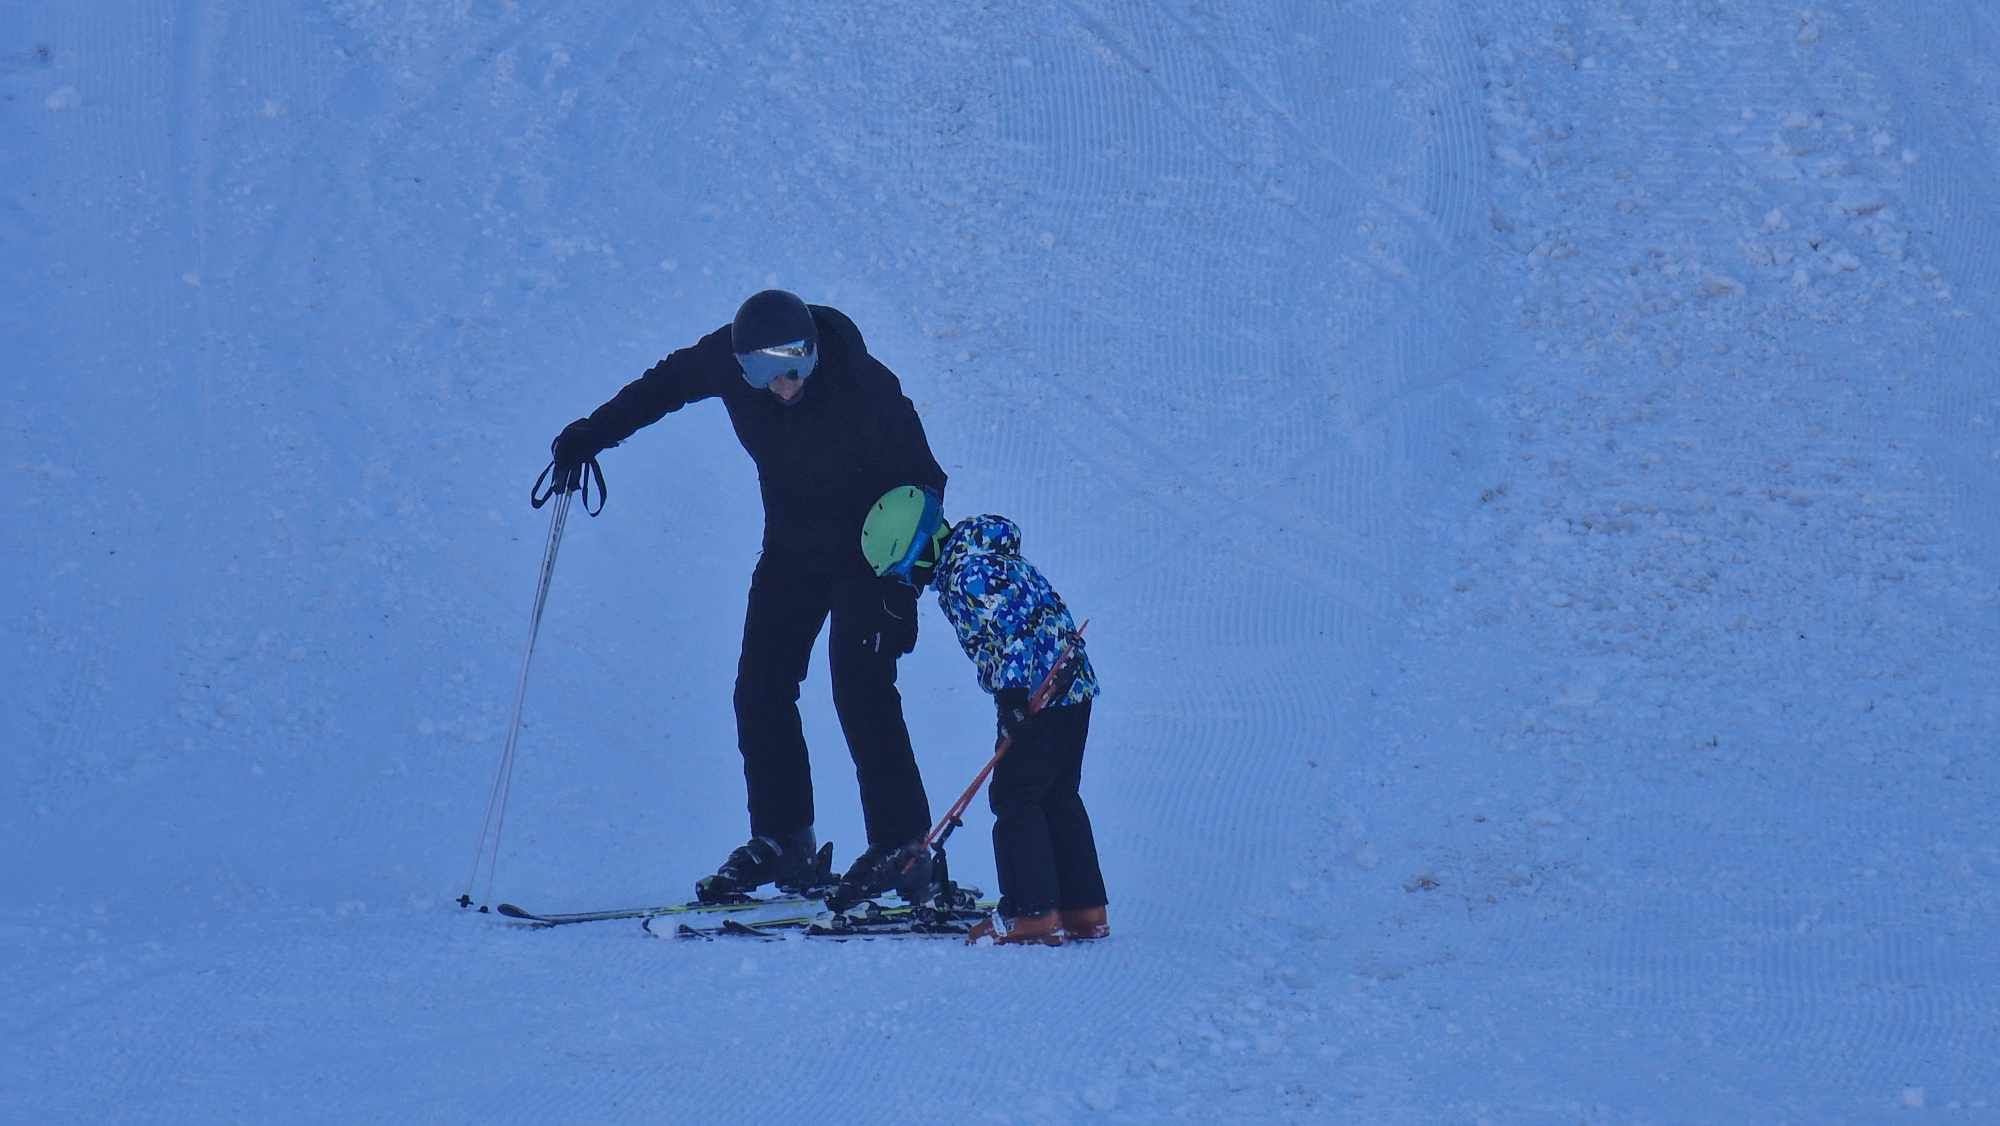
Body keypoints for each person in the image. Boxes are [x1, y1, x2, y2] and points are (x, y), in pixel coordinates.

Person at [547, 290, 944, 907]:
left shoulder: (868, 388)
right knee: (760, 688)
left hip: (870, 557)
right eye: (763, 372)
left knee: (859, 686)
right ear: (742, 366)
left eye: (796, 366)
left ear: (814, 350)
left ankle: (903, 848)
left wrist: (903, 587)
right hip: (791, 549)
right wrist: (591, 436)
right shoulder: (725, 362)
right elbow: (664, 386)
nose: (783, 384)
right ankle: (785, 841)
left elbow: (927, 486)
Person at [859, 485, 1108, 945]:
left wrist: (1012, 697)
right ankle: (1083, 908)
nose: (908, 580)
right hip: (1071, 688)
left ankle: (1031, 913)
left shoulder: (967, 574)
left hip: (1039, 692)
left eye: (904, 569)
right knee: (1057, 796)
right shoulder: (985, 557)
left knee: (1015, 799)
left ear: (920, 549)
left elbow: (1010, 632)